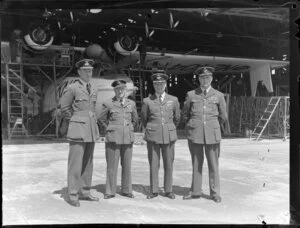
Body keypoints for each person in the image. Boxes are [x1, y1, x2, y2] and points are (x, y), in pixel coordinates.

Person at [181, 66, 227, 203]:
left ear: (211, 78)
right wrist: (194, 124)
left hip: (212, 134)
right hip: (195, 133)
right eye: (202, 77)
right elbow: (185, 114)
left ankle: (215, 193)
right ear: (198, 79)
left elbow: (223, 116)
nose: (205, 80)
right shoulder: (191, 95)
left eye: (207, 77)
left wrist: (212, 125)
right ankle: (195, 191)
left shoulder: (219, 95)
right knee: (196, 163)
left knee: (213, 164)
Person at [60, 59, 100, 207]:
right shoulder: (72, 88)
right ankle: (72, 195)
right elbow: (64, 108)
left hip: (90, 129)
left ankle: (85, 191)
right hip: (78, 128)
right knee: (75, 164)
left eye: (90, 70)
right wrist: (75, 120)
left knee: (88, 163)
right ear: (79, 72)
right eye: (85, 70)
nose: (88, 73)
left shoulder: (93, 88)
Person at [141, 72, 180, 199]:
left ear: (165, 84)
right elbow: (144, 118)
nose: (159, 86)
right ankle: (154, 190)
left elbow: (177, 118)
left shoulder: (173, 100)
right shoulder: (147, 101)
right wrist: (154, 127)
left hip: (168, 135)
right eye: (156, 84)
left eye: (161, 84)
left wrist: (169, 127)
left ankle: (168, 190)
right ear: (153, 85)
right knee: (154, 163)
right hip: (153, 135)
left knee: (169, 163)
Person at [98, 80, 138, 199]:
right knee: (112, 165)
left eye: (122, 89)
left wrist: (129, 129)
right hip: (113, 138)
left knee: (127, 165)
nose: (120, 91)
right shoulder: (108, 103)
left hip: (127, 138)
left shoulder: (132, 103)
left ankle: (127, 190)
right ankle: (110, 191)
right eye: (118, 89)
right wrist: (110, 129)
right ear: (114, 91)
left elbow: (135, 119)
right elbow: (101, 119)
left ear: (126, 90)